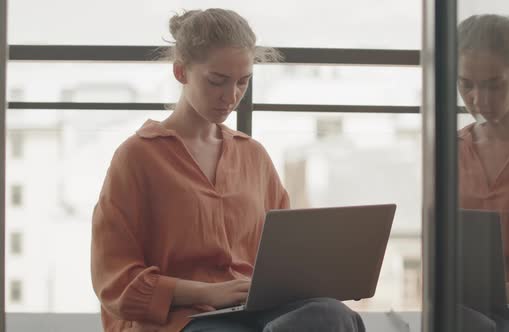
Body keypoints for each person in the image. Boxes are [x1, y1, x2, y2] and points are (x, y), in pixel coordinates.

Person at [91, 8, 365, 332]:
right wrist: (209, 292)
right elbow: (115, 281)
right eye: (217, 81)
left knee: (334, 316)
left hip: (255, 310)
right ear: (181, 72)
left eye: (243, 82)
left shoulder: (254, 156)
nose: (231, 96)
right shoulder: (137, 157)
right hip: (178, 320)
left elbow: (284, 258)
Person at [456, 14, 509, 332]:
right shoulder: (449, 152)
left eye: (494, 85)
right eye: (466, 85)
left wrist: (500, 294)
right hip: (464, 313)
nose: (479, 101)